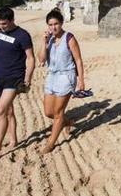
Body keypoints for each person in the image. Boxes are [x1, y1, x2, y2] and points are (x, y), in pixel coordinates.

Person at [0, 7, 35, 163]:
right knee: (8, 112)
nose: (1, 26)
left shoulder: (23, 35)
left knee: (0, 111)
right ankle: (13, 140)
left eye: (4, 24)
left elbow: (30, 58)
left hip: (13, 78)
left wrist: (28, 78)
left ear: (12, 20)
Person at [38, 9, 85, 154]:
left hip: (66, 76)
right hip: (52, 76)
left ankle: (51, 143)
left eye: (56, 24)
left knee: (58, 112)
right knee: (48, 112)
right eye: (50, 24)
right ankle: (67, 122)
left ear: (61, 23)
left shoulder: (69, 38)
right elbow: (41, 59)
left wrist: (81, 80)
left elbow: (78, 60)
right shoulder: (49, 39)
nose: (53, 27)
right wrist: (44, 42)